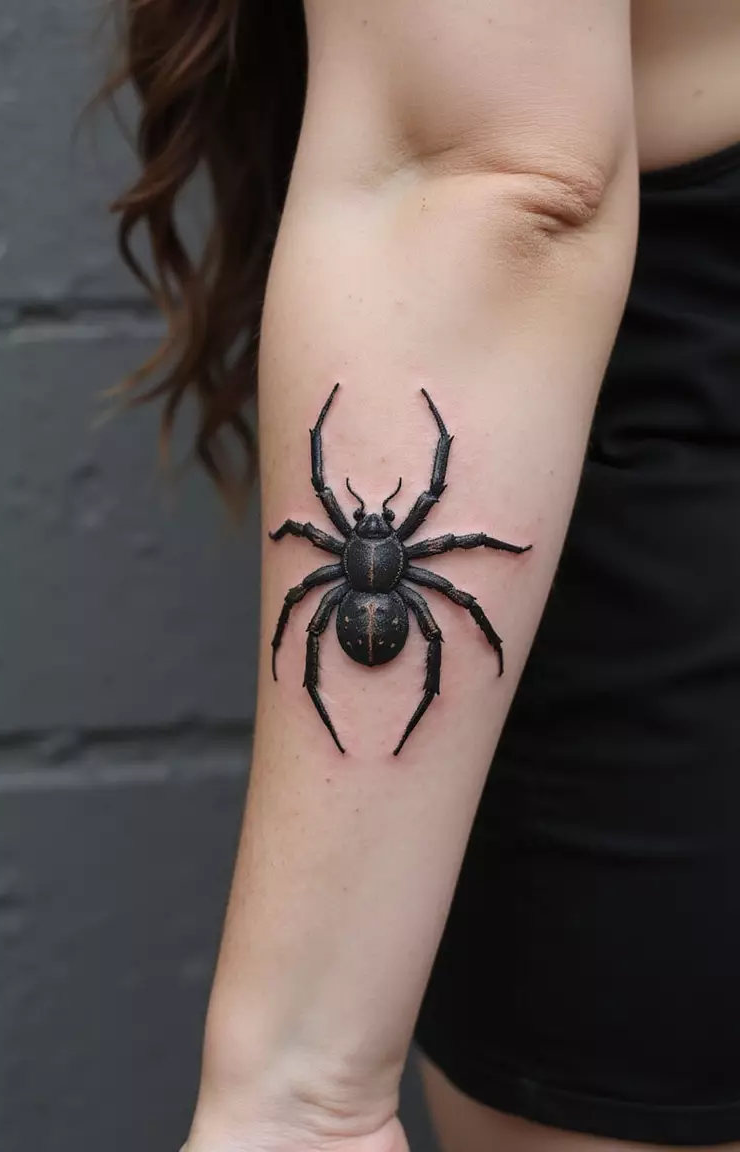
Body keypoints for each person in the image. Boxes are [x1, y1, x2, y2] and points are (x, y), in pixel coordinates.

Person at [105, 2, 740, 1149]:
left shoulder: (372, 561)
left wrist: (298, 1095)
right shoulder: (384, 564)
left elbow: (497, 169)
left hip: (654, 615)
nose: (380, 523)